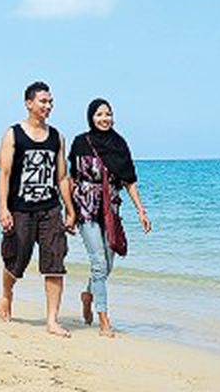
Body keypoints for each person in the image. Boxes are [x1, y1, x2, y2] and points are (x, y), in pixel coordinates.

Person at [0, 81, 76, 337]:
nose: (48, 106)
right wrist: (3, 209)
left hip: (50, 209)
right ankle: (7, 293)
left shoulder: (57, 137)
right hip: (20, 209)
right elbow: (5, 174)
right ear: (29, 103)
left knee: (55, 263)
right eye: (43, 101)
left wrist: (70, 209)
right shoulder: (13, 134)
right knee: (16, 260)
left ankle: (52, 320)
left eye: (50, 102)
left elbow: (62, 177)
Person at [68, 98, 151, 337]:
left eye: (108, 114)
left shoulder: (119, 144)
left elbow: (129, 181)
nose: (104, 119)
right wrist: (70, 213)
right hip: (86, 208)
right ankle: (104, 320)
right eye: (99, 114)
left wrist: (141, 211)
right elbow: (72, 178)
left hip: (110, 210)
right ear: (91, 117)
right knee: (98, 263)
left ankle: (87, 295)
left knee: (108, 264)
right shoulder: (80, 142)